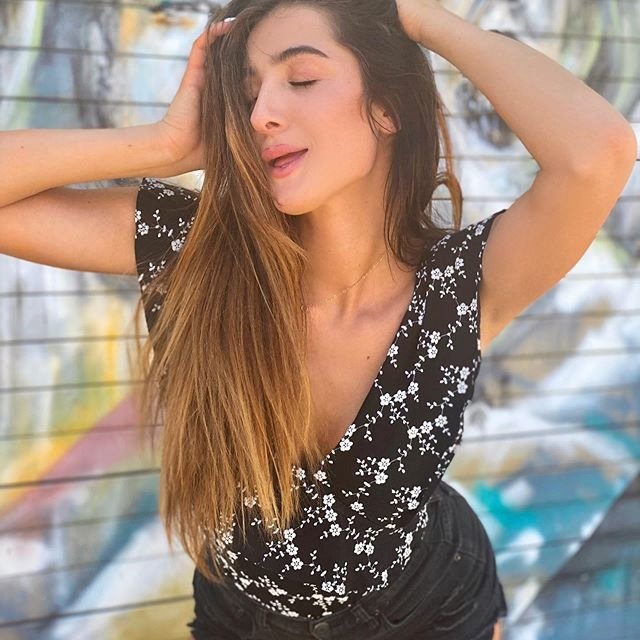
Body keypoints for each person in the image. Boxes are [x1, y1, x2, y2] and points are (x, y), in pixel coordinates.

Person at [1, 0, 635, 638]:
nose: (261, 115)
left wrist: (419, 17)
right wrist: (164, 144)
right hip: (237, 616)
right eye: (246, 96)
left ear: (385, 107)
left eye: (301, 78)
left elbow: (597, 153)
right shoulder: (196, 249)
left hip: (427, 610)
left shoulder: (457, 287)